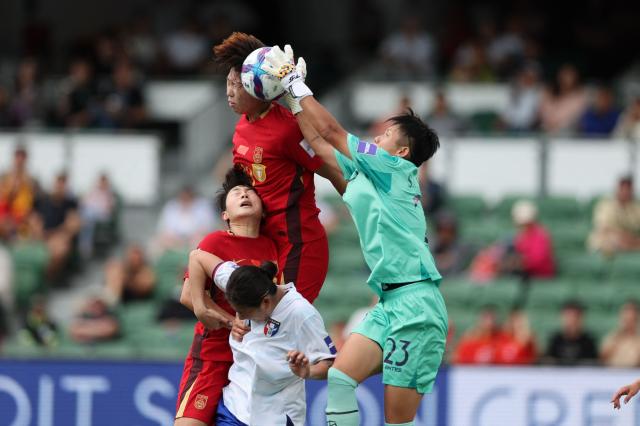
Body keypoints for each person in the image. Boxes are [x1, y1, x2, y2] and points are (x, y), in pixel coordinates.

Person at [263, 45, 447, 426]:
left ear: (403, 150)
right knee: (340, 377)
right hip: (389, 303)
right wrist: (290, 102)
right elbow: (318, 143)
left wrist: (296, 84)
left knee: (398, 421)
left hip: (416, 307)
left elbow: (332, 130)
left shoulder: (396, 170)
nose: (376, 140)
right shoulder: (367, 179)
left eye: (385, 135)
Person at [212, 32, 343, 303]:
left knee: (284, 320)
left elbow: (333, 169)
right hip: (265, 244)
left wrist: (364, 207)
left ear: (258, 86)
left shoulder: (288, 129)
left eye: (236, 85)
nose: (229, 92)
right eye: (228, 83)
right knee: (265, 328)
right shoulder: (241, 128)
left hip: (299, 243)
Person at [175, 167, 279, 426]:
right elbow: (189, 296)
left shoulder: (273, 248)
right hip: (213, 356)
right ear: (225, 215)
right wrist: (229, 321)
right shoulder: (214, 242)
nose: (244, 194)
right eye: (236, 193)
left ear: (263, 210)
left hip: (253, 363)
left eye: (249, 192)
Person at [187, 257, 336, 426]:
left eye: (244, 313)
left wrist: (307, 371)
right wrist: (200, 308)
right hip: (234, 407)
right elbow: (197, 257)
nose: (240, 318)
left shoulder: (301, 313)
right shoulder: (240, 282)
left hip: (277, 416)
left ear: (265, 301)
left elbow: (329, 364)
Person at [588, 175, 640, 255]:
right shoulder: (606, 206)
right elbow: (605, 229)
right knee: (614, 240)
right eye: (623, 189)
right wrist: (625, 237)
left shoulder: (636, 208)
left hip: (631, 240)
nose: (625, 192)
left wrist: (632, 239)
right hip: (608, 240)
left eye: (628, 189)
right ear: (618, 189)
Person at [544, 300, 598, 365]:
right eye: (569, 316)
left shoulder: (588, 341)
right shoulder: (555, 340)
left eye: (575, 316)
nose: (572, 319)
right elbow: (548, 361)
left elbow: (593, 364)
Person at [0, 146, 37, 241]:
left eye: (22, 157)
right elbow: (4, 201)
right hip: (8, 216)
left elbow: (32, 202)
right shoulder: (6, 177)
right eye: (18, 157)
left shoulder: (30, 180)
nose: (20, 161)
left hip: (24, 218)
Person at [601, 300, 640, 368]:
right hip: (612, 374)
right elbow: (602, 359)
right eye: (626, 319)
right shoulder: (612, 338)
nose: (628, 323)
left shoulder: (638, 341)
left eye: (631, 319)